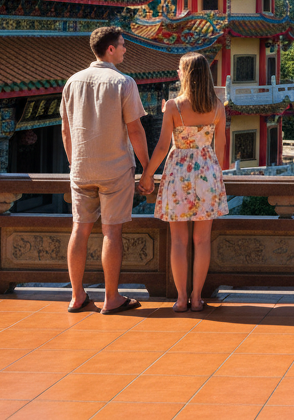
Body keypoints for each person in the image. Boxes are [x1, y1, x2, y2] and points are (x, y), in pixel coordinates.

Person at [60, 26, 150, 315]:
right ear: (110, 49)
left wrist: (75, 163)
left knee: (80, 229)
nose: (125, 49)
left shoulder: (72, 82)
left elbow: (65, 130)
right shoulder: (123, 83)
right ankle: (111, 298)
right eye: (122, 45)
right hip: (115, 169)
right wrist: (147, 168)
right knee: (111, 232)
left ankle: (76, 296)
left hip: (82, 169)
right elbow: (135, 130)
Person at [140, 52, 229, 312]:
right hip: (207, 172)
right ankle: (198, 297)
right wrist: (216, 177)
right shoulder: (218, 107)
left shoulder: (173, 106)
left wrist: (147, 174)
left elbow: (161, 147)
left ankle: (181, 299)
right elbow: (221, 148)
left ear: (185, 75)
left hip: (178, 172)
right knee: (202, 241)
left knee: (178, 241)